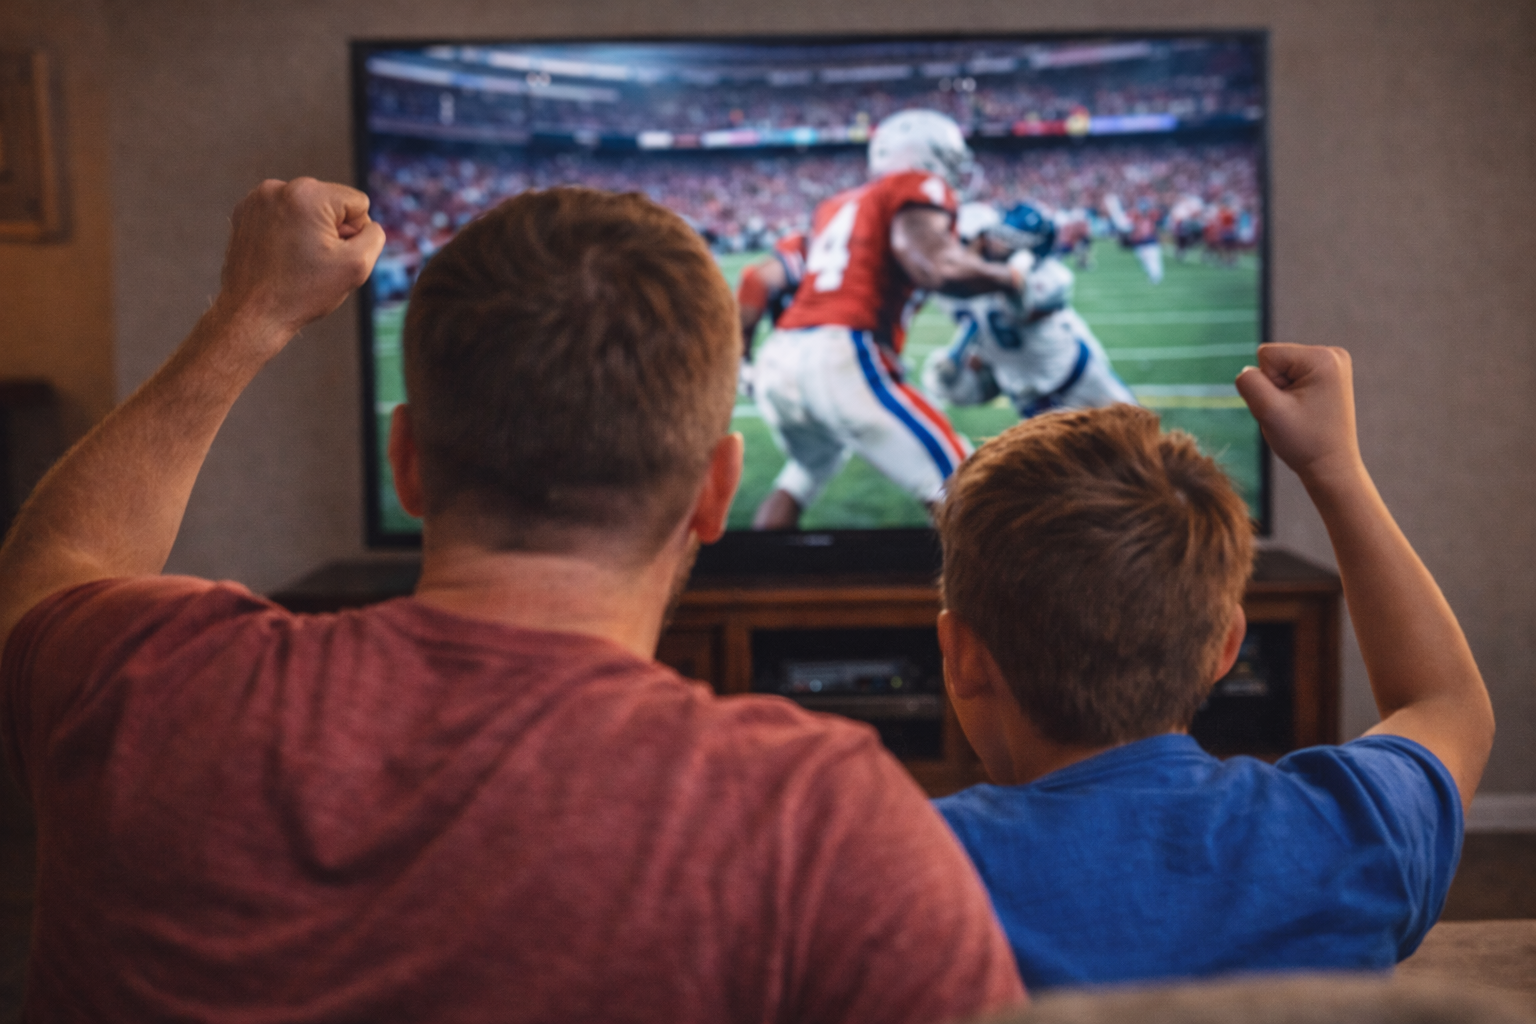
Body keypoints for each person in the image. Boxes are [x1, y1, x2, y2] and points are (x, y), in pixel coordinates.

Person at [0, 179, 1024, 1022]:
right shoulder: (831, 828)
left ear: (407, 460)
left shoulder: (148, 684)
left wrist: (249, 314)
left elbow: (58, 560)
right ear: (717, 492)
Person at [932, 343, 1494, 990]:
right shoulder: (1349, 830)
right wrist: (1334, 469)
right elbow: (1447, 704)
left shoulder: (903, 873)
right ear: (1226, 647)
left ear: (963, 655)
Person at [750, 109, 1033, 530]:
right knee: (966, 486)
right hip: (841, 353)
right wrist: (1010, 278)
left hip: (780, 359)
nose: (956, 171)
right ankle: (1001, 596)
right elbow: (934, 267)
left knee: (805, 473)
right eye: (951, 159)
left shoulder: (836, 205)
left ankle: (754, 587)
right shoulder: (916, 185)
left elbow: (764, 278)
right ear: (928, 156)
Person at [923, 202, 1137, 419]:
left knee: (1137, 442)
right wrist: (958, 364)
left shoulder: (1041, 273)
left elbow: (1022, 305)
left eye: (961, 241)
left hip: (1078, 381)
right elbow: (981, 334)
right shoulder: (949, 291)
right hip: (1031, 402)